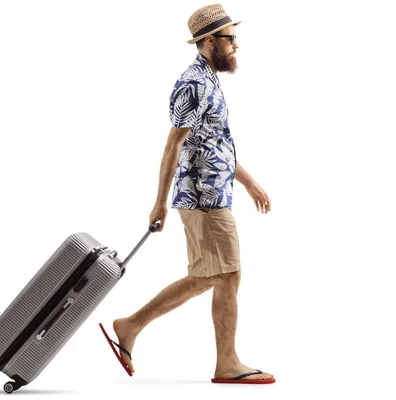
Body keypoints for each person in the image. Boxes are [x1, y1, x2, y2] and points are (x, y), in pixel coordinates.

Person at [107, 4, 274, 384]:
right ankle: (227, 363)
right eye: (231, 39)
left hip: (213, 193)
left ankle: (130, 325)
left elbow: (213, 142)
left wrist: (247, 182)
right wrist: (158, 202)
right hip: (203, 198)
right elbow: (173, 144)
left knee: (206, 277)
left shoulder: (209, 80)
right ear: (210, 40)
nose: (236, 45)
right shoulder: (193, 84)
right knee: (229, 274)